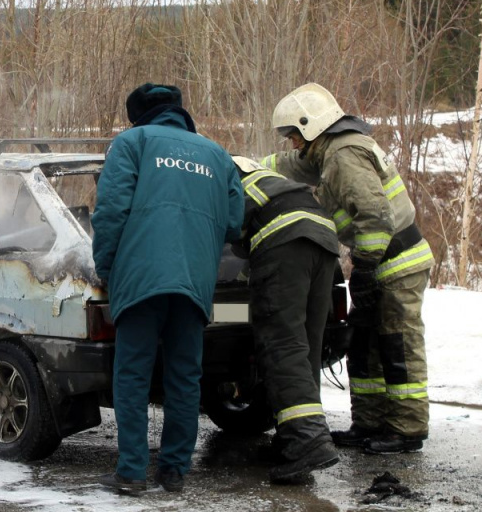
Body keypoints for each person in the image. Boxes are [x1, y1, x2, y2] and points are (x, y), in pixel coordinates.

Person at [263, 83, 434, 454]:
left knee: (396, 345)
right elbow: (293, 166)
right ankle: (370, 422)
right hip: (379, 261)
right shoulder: (328, 152)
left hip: (396, 262)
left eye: (294, 134)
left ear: (311, 127)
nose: (292, 143)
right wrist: (245, 165)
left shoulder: (344, 154)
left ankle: (407, 428)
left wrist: (367, 267)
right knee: (365, 345)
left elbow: (375, 216)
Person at [92, 83, 244, 493]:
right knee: (184, 378)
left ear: (138, 115)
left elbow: (110, 212)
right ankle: (174, 471)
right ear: (179, 111)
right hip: (194, 281)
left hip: (140, 279)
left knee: (133, 376)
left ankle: (131, 473)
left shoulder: (131, 143)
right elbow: (234, 222)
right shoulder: (217, 154)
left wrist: (106, 267)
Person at [230, 156, 341, 482]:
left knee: (282, 343)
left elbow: (218, 232)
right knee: (305, 342)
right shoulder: (261, 178)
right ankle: (296, 438)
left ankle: (308, 442)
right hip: (323, 236)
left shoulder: (214, 178)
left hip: (285, 238)